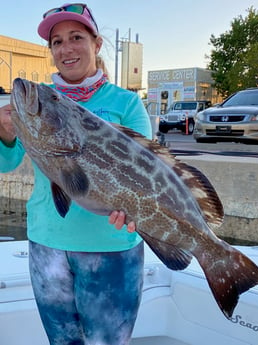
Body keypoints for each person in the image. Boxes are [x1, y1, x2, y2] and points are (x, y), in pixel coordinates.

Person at [0, 3, 152, 345]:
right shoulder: (38, 101)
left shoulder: (126, 103)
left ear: (96, 44)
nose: (66, 48)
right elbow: (5, 164)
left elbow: (148, 172)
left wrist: (136, 211)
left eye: (76, 37)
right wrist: (6, 133)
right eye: (56, 42)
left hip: (112, 247)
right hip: (47, 245)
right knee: (62, 342)